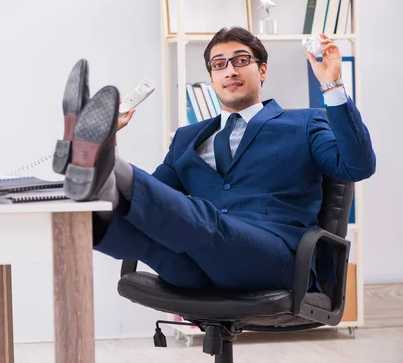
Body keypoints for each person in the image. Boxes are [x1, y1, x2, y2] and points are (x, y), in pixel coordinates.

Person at [52, 27, 376, 291]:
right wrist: (112, 135)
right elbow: (150, 197)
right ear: (211, 79)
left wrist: (331, 85)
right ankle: (99, 162)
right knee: (140, 234)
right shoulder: (186, 138)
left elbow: (357, 165)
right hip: (202, 267)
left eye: (240, 60)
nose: (230, 70)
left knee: (205, 218)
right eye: (219, 64)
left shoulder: (305, 123)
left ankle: (99, 159)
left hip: (277, 260)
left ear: (262, 70)